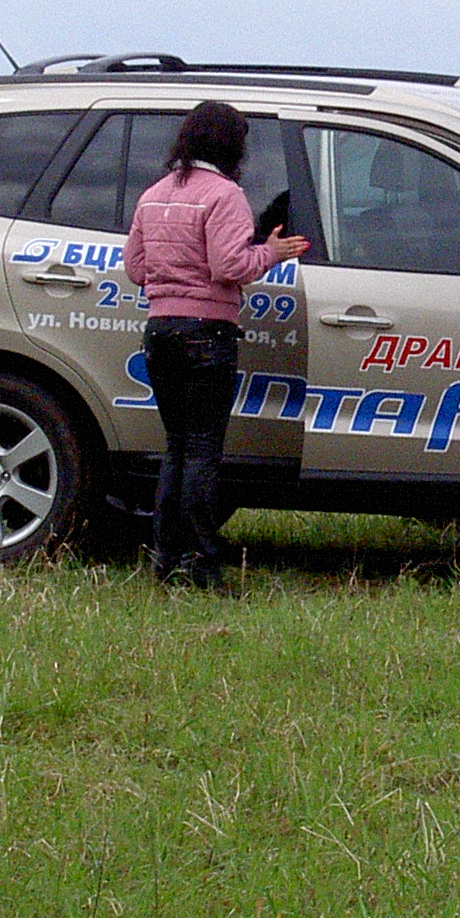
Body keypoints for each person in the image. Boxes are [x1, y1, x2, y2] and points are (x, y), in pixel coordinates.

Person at [121, 102, 309, 585]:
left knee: (176, 447)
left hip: (159, 331)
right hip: (207, 332)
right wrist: (271, 252)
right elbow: (230, 267)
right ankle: (202, 565)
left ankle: (165, 559)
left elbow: (136, 269)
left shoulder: (154, 194)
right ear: (232, 146)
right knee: (203, 450)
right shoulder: (225, 195)